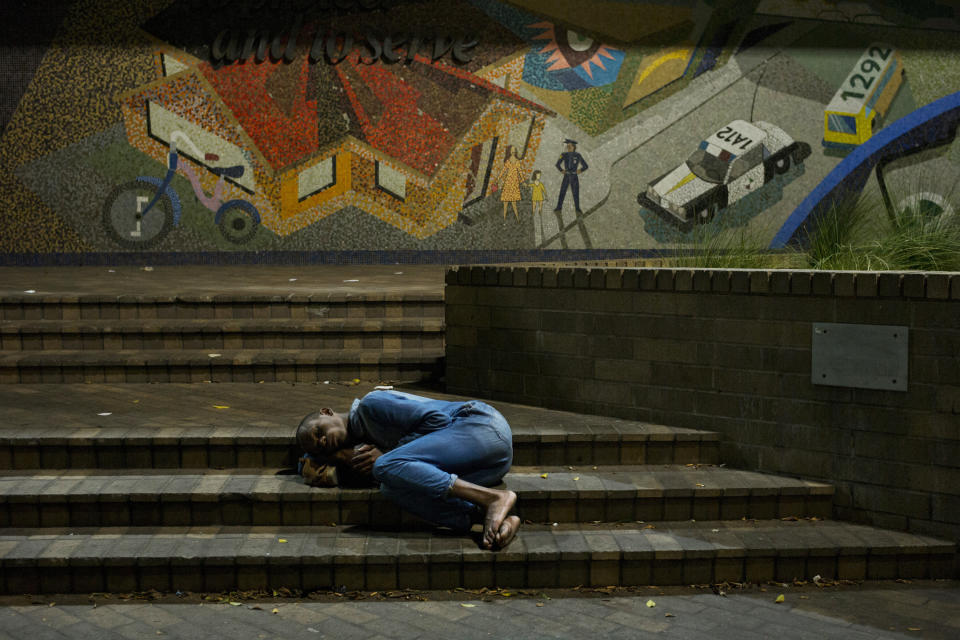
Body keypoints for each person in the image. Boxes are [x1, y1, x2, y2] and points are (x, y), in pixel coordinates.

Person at [296, 390, 520, 550]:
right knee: (391, 487)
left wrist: (389, 452)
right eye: (320, 446)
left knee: (385, 466)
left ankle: (493, 499)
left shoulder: (371, 405)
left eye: (319, 432)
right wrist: (335, 455)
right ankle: (488, 518)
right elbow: (304, 462)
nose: (323, 440)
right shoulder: (359, 447)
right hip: (490, 466)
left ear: (326, 411)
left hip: (481, 427)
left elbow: (438, 420)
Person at [554, 139, 588, 214]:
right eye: (567, 146)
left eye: (569, 146)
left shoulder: (578, 155)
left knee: (575, 192)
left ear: (573, 147)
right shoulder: (563, 155)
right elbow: (557, 164)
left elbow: (585, 166)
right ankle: (559, 207)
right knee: (562, 191)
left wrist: (580, 170)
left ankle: (577, 208)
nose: (568, 147)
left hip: (574, 176)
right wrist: (562, 170)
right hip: (566, 176)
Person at [496, 147, 524, 221]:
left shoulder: (517, 161)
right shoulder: (508, 161)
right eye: (512, 150)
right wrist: (497, 179)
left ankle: (517, 218)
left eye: (514, 150)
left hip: (514, 183)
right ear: (509, 151)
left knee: (513, 202)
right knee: (505, 202)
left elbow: (520, 171)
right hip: (508, 182)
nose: (513, 151)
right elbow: (503, 171)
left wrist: (523, 180)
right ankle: (504, 219)